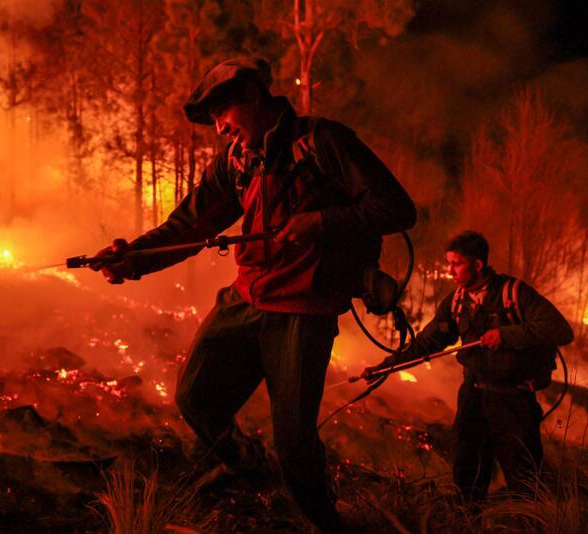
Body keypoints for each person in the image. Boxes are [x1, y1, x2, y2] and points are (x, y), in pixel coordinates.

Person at [94, 57, 416, 532]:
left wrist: (320, 222)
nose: (220, 128)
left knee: (294, 441)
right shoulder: (236, 162)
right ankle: (250, 467)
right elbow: (190, 226)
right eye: (214, 121)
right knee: (196, 398)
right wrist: (133, 258)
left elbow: (396, 209)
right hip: (246, 299)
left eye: (223, 113)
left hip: (303, 312)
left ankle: (324, 521)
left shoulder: (322, 143)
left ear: (253, 96)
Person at [364, 231, 573, 501]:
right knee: (467, 474)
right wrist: (383, 367)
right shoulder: (456, 301)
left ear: (477, 264)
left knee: (524, 479)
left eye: (456, 264)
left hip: (513, 401)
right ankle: (466, 522)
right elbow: (426, 344)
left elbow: (560, 330)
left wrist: (505, 335)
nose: (450, 270)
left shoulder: (514, 293)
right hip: (473, 396)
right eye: (448, 263)